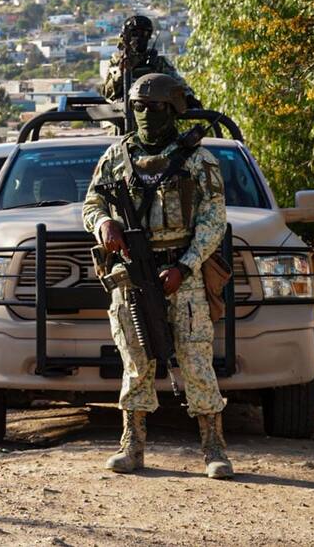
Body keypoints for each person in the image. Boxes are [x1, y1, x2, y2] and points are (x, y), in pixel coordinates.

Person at [81, 73, 233, 480]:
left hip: (185, 273)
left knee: (196, 360)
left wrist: (185, 265)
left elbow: (213, 220)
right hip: (132, 272)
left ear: (174, 109)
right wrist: (103, 225)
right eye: (140, 107)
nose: (147, 114)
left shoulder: (199, 160)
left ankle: (214, 447)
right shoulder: (117, 156)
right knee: (135, 358)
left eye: (157, 107)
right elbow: (92, 201)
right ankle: (132, 444)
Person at [101, 15, 195, 105]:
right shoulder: (115, 62)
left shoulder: (158, 62)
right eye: (134, 34)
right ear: (125, 37)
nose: (139, 38)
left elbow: (178, 84)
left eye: (144, 33)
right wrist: (120, 72)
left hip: (153, 112)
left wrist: (188, 96)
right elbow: (107, 93)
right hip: (122, 113)